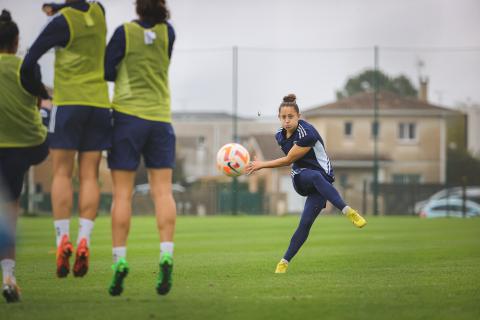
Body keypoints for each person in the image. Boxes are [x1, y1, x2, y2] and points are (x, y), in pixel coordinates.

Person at [21, 0, 110, 279]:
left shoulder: (61, 22)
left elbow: (29, 61)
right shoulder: (100, 12)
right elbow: (81, 6)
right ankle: (85, 239)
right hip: (98, 105)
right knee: (89, 177)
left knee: (61, 173)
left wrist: (41, 94)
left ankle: (63, 241)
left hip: (69, 103)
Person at [245, 94, 367, 274]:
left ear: (299, 116)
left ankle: (283, 262)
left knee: (305, 223)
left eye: (290, 117)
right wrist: (261, 165)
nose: (287, 121)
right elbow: (291, 162)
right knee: (315, 176)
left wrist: (261, 165)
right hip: (301, 178)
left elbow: (288, 159)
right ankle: (348, 211)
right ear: (279, 118)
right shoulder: (279, 135)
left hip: (321, 183)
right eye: (283, 117)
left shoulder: (307, 133)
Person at [104, 0, 176, 296]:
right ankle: (166, 254)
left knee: (123, 193)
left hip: (127, 119)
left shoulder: (123, 32)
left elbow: (107, 71)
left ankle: (120, 261)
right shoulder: (168, 32)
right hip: (160, 120)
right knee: (163, 192)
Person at [0, 9, 51, 302]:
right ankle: (9, 277)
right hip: (24, 145)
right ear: (16, 41)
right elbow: (38, 100)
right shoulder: (26, 67)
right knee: (10, 212)